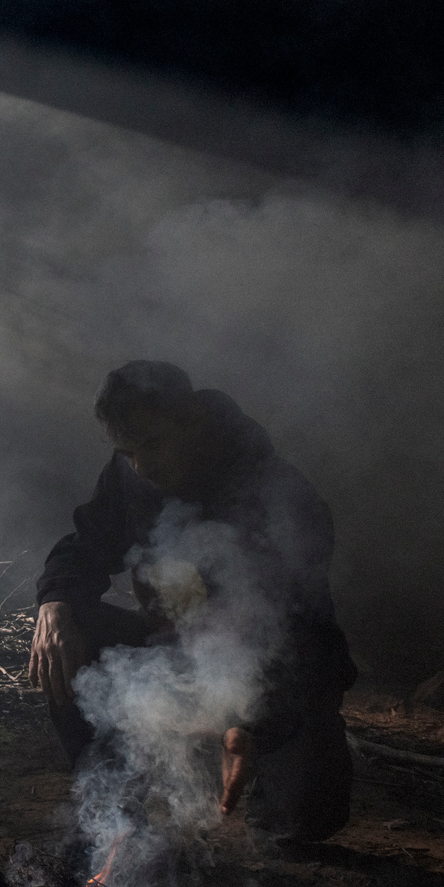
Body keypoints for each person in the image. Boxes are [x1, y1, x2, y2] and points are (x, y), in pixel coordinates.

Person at [27, 360, 358, 843]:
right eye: (128, 450)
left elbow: (300, 636)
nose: (142, 464)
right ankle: (113, 804)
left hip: (279, 679)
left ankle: (268, 773)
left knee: (302, 827)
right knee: (70, 628)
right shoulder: (132, 473)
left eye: (153, 445)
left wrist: (250, 722)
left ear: (193, 422)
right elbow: (85, 545)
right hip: (175, 655)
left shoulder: (280, 498)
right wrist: (54, 602)